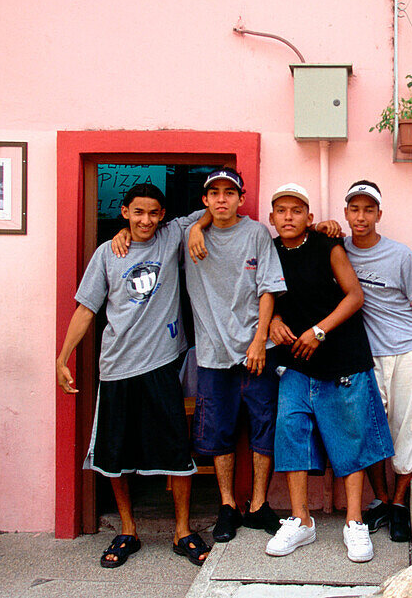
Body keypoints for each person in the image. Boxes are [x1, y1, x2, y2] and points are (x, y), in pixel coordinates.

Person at [55, 183, 211, 568]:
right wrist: (63, 357)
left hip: (162, 364)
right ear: (124, 211)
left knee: (176, 449)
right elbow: (87, 308)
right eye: (138, 213)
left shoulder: (172, 235)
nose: (146, 220)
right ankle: (127, 531)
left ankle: (182, 531)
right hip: (116, 367)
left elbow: (211, 208)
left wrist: (193, 229)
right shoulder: (107, 253)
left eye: (154, 213)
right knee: (114, 454)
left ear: (162, 215)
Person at [261, 183, 394, 563]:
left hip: (341, 355)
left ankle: (355, 522)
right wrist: (275, 321)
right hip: (297, 360)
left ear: (310, 217)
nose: (288, 217)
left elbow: (355, 295)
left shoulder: (327, 246)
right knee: (292, 432)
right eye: (281, 210)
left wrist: (320, 330)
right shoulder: (268, 252)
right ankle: (301, 521)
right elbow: (266, 294)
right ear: (272, 218)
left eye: (296, 210)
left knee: (350, 436)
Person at [182, 167, 289, 542]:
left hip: (258, 350)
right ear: (205, 200)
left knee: (264, 429)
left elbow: (267, 289)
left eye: (230, 192)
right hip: (212, 354)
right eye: (215, 193)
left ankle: (258, 505)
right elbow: (144, 228)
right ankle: (227, 506)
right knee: (219, 434)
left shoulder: (257, 233)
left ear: (242, 198)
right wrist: (198, 226)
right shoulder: (188, 234)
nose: (223, 199)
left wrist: (260, 339)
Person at [341, 181, 412, 543]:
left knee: (407, 427)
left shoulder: (400, 255)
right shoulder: (339, 251)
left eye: (369, 210)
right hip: (365, 356)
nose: (361, 216)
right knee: (368, 430)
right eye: (355, 209)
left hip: (407, 351)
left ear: (379, 214)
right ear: (346, 213)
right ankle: (381, 500)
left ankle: (399, 504)